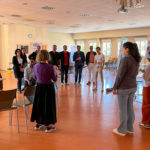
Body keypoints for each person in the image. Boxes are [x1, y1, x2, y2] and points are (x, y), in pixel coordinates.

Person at [112, 42, 141, 136]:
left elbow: (120, 75)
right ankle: (129, 128)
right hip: (133, 86)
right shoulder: (136, 59)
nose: (122, 50)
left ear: (127, 49)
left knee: (122, 109)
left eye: (123, 48)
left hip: (124, 88)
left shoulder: (125, 59)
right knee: (130, 108)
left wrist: (114, 87)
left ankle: (121, 130)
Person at [31, 50, 57, 133]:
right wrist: (55, 71)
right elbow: (54, 79)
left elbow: (35, 77)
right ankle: (48, 126)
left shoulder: (35, 66)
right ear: (47, 56)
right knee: (48, 106)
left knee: (40, 105)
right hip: (48, 88)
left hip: (39, 88)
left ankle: (39, 123)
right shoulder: (50, 67)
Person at [139, 51, 150, 129]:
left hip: (147, 86)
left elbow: (146, 77)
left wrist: (143, 74)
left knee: (146, 104)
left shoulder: (149, 66)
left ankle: (146, 122)